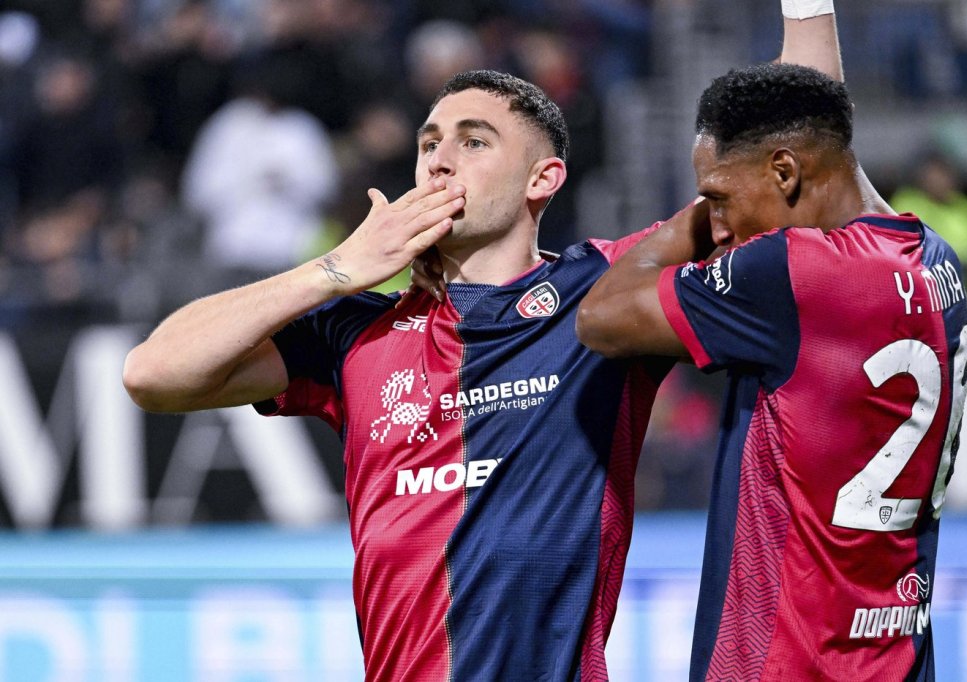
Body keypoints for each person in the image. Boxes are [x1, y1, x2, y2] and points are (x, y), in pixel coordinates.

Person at [123, 9, 841, 679]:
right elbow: (153, 373)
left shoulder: (605, 292)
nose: (440, 160)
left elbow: (794, 157)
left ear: (542, 179)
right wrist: (334, 268)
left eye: (473, 141)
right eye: (428, 143)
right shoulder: (355, 331)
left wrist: (808, 7)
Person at [575, 11, 967, 682]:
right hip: (897, 657)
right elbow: (817, 133)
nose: (720, 226)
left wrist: (693, 219)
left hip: (784, 662)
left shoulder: (793, 273)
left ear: (784, 171)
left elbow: (601, 317)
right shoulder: (935, 259)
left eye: (719, 197)